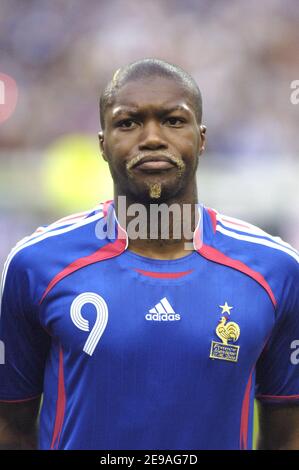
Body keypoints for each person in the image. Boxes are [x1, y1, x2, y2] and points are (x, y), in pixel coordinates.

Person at [0, 58, 299, 451]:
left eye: (174, 120)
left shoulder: (276, 270)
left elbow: (287, 433)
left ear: (202, 138)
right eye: (128, 123)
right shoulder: (35, 264)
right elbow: (11, 426)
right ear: (103, 144)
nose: (153, 137)